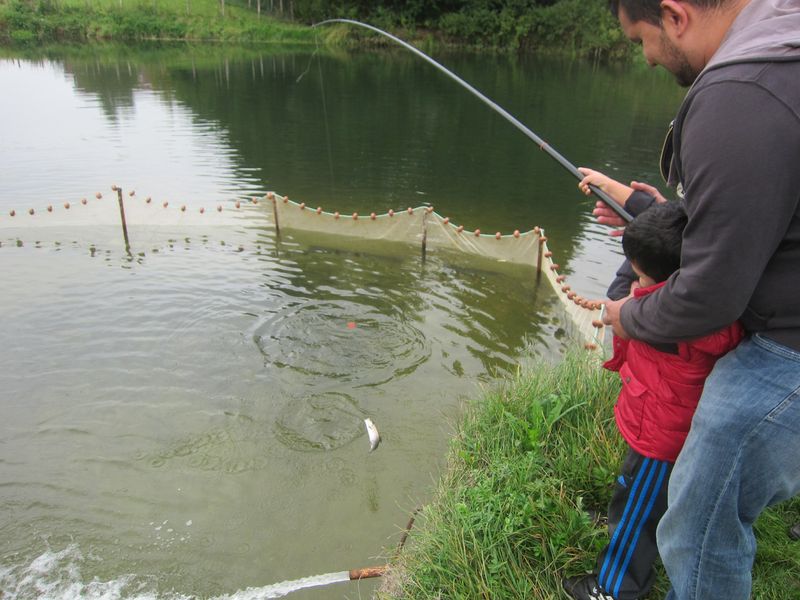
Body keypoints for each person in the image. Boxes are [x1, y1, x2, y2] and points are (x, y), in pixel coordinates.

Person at [596, 1, 800, 599]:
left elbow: (706, 297)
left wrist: (626, 315)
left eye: (640, 39)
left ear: (674, 15)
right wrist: (648, 213)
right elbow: (744, 211)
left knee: (698, 524)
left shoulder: (740, 93)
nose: (646, 58)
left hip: (785, 346)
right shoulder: (782, 37)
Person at [562, 203, 744, 600]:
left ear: (670, 283)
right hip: (671, 427)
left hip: (659, 435)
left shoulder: (663, 320)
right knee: (646, 496)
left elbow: (616, 300)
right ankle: (626, 523)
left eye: (640, 275)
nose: (635, 283)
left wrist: (633, 266)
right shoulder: (713, 307)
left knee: (639, 505)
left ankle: (614, 586)